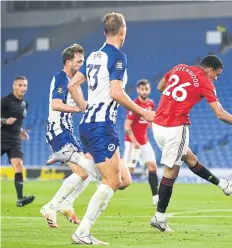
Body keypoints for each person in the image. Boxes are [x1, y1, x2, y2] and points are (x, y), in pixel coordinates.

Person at [67, 12, 155, 244]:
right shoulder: (117, 56)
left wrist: (86, 108)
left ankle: (80, 161)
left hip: (90, 124)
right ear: (122, 32)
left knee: (124, 180)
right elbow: (116, 92)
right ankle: (82, 232)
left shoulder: (94, 56)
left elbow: (72, 84)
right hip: (101, 127)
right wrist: (143, 111)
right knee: (112, 181)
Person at [149, 55, 232, 232]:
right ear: (210, 69)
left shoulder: (179, 67)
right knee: (171, 172)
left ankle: (224, 185)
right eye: (217, 74)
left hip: (158, 124)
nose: (216, 78)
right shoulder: (206, 82)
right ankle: (159, 218)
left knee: (189, 158)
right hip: (175, 127)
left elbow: (160, 87)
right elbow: (219, 113)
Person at [40, 44, 96, 228]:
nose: (82, 64)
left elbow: (83, 104)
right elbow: (55, 104)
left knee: (86, 173)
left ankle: (66, 202)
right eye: (78, 61)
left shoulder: (75, 83)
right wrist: (76, 109)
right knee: (83, 171)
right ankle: (51, 206)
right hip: (58, 131)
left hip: (67, 132)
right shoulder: (61, 78)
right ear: (68, 61)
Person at [123, 79, 159, 205]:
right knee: (128, 173)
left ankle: (156, 196)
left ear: (149, 90)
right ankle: (107, 183)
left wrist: (155, 129)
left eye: (146, 89)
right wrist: (134, 142)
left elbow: (149, 121)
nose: (144, 91)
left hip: (144, 141)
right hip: (132, 142)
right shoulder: (134, 105)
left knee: (152, 167)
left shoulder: (151, 104)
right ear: (138, 90)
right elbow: (127, 126)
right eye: (142, 89)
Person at [1, 76, 35, 207]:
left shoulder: (24, 104)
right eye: (20, 85)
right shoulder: (5, 101)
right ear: (14, 86)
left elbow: (17, 122)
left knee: (19, 165)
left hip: (14, 140)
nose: (22, 88)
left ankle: (20, 199)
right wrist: (4, 121)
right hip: (1, 137)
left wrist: (20, 131)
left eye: (24, 85)